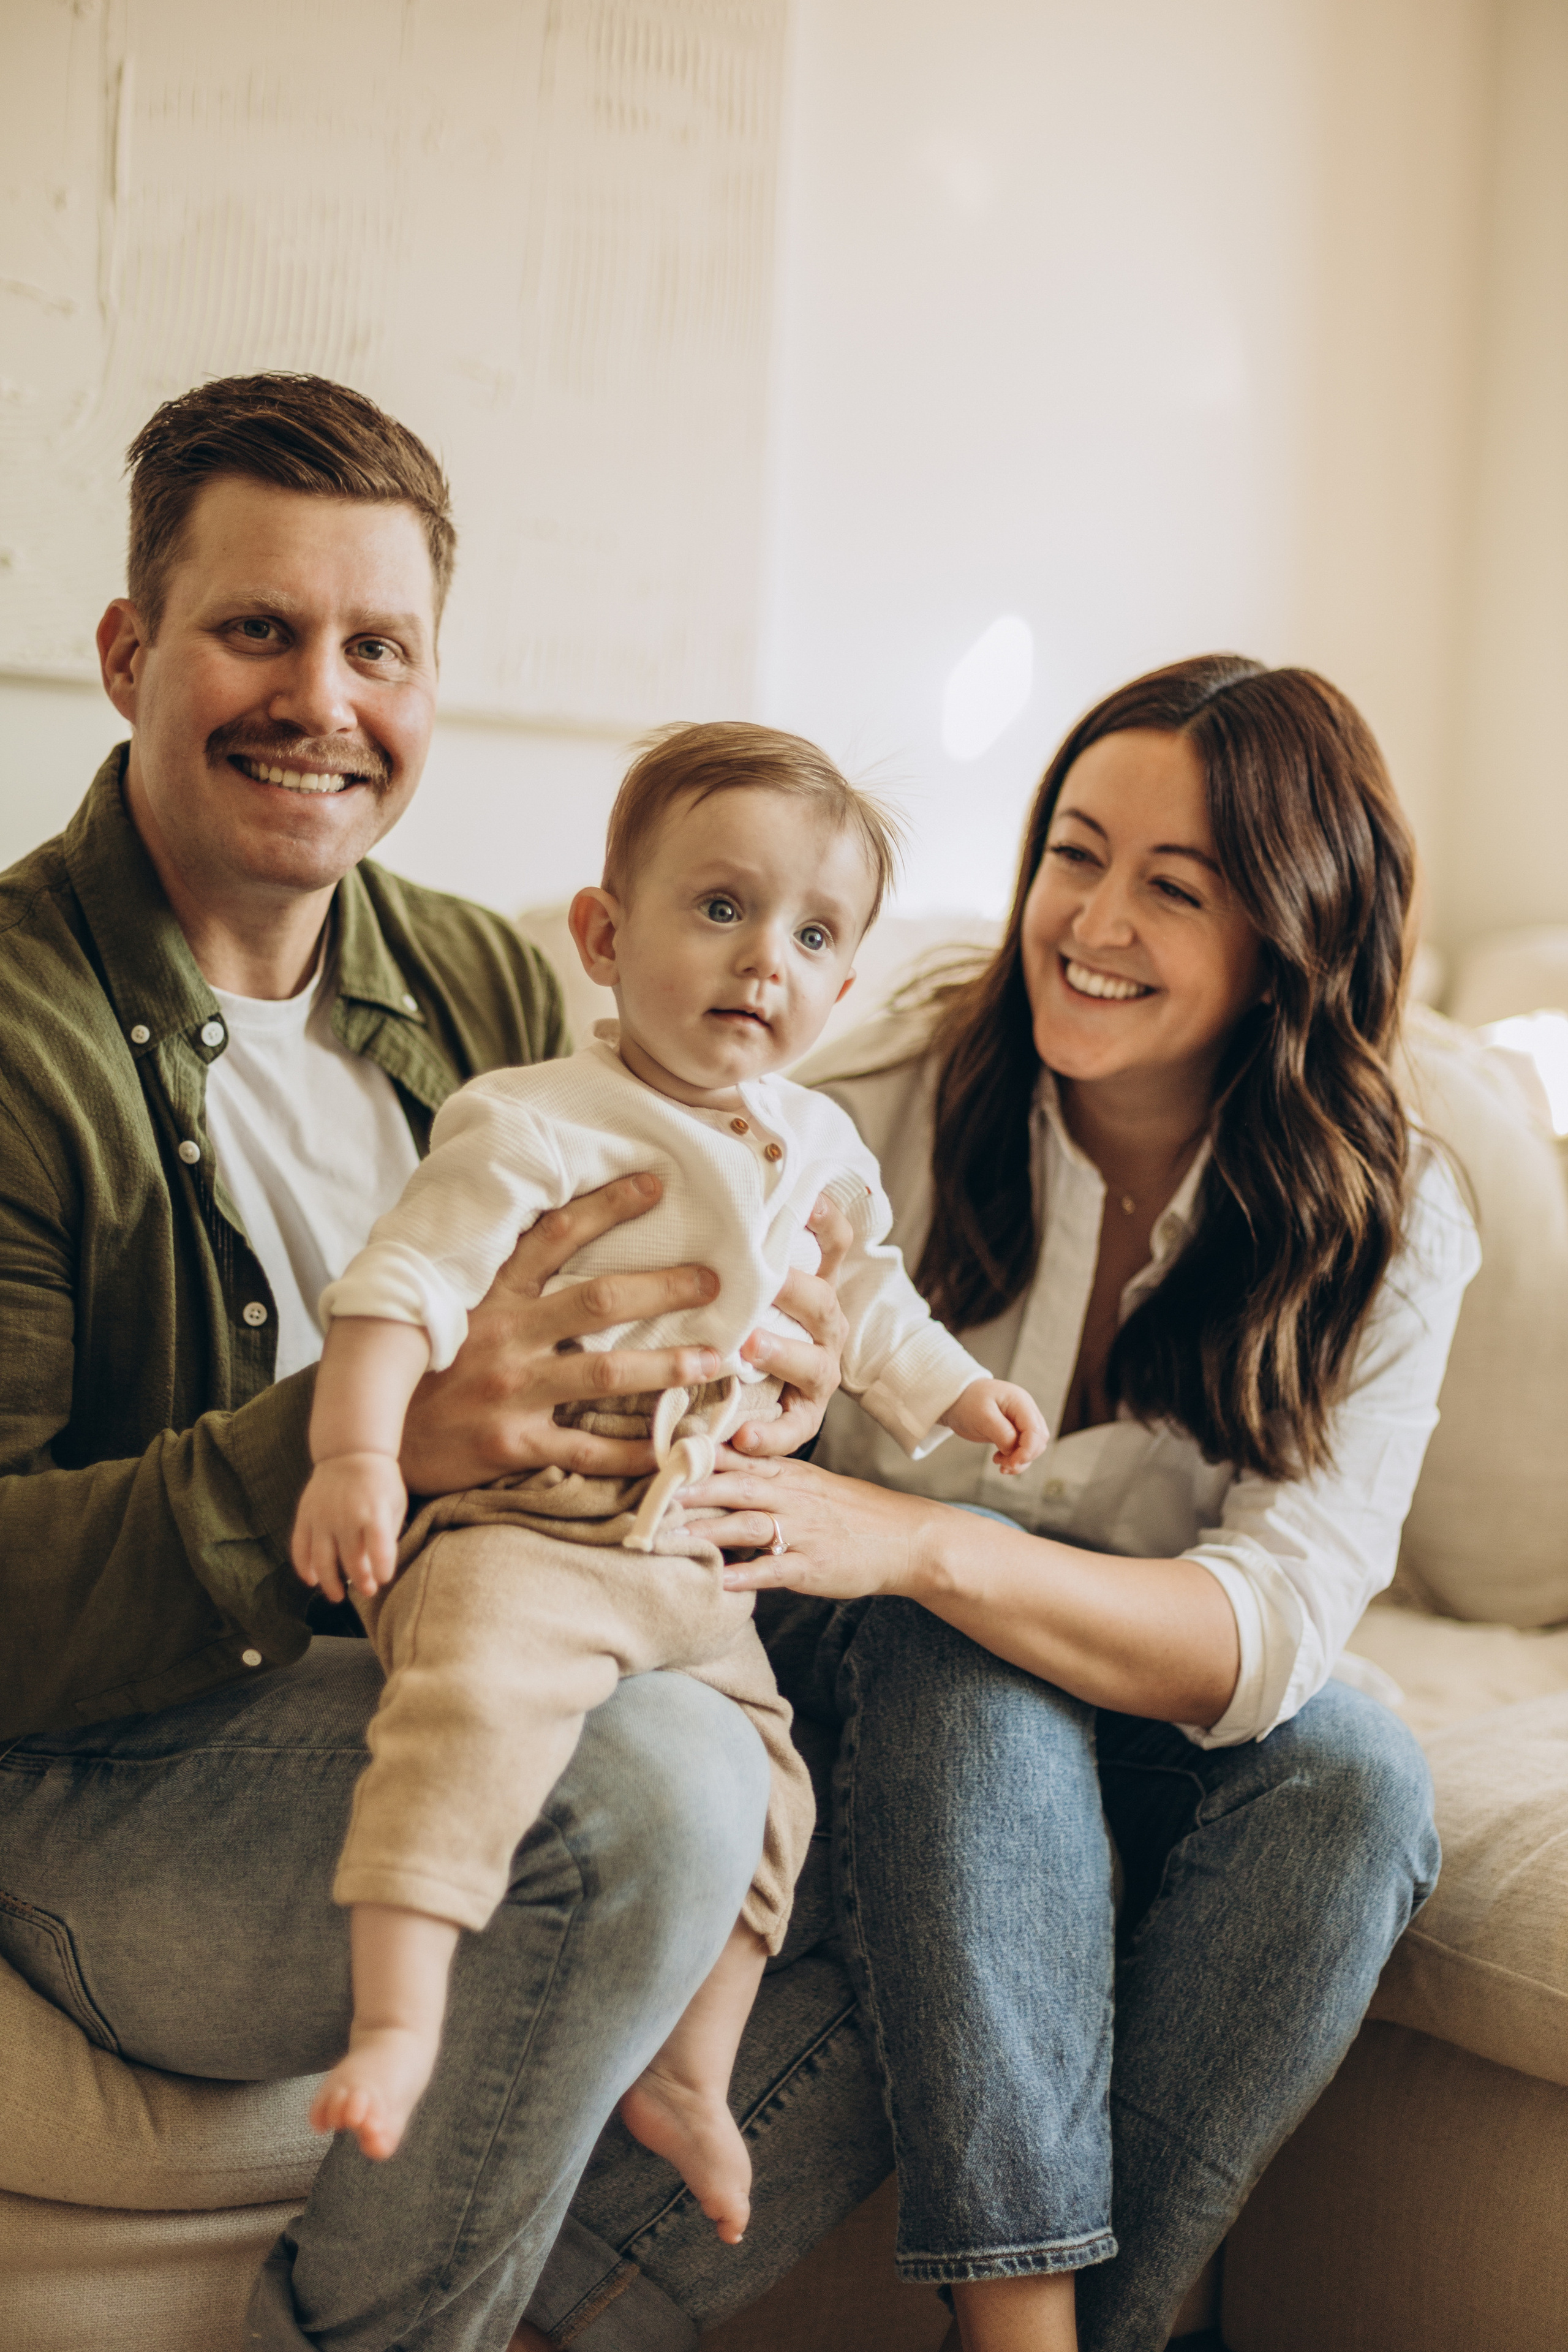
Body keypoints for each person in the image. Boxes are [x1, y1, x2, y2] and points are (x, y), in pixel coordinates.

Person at [0, 373, 871, 2352]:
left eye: (377, 646)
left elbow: (731, 1199)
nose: (323, 698)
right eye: (258, 630)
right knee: (642, 1790)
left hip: (490, 1623)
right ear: (130, 651)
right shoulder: (16, 1034)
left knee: (920, 1712)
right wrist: (371, 1428)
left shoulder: (492, 984)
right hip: (106, 1764)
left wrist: (771, 1357)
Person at [677, 657, 1481, 2352]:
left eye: (1174, 889)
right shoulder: (866, 1092)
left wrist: (931, 1542)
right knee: (966, 1653)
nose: (1091, 919)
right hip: (853, 1678)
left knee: (1357, 1776)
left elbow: (1269, 1633)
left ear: (1291, 938)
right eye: (1073, 853)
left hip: (1110, 1703)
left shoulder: (1387, 1215)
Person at [292, 720, 1045, 2225]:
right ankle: (398, 2015)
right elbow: (401, 1289)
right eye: (720, 908)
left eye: (811, 933)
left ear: (843, 984)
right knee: (470, 1718)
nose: (762, 957)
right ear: (601, 932)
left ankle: (690, 2073)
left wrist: (957, 1391)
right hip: (521, 1528)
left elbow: (874, 1301)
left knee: (775, 1786)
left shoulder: (818, 1140)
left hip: (682, 1552)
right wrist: (356, 1453)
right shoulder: (534, 1119)